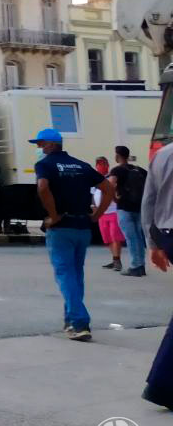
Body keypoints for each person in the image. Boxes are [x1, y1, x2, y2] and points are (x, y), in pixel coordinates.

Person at [33, 127, 112, 341]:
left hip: (61, 228)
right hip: (82, 227)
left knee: (65, 274)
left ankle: (79, 323)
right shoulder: (81, 165)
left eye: (40, 144)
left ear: (51, 144)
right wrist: (97, 215)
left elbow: (42, 188)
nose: (39, 148)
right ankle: (70, 320)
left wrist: (53, 215)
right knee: (76, 275)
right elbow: (108, 188)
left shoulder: (45, 164)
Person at [141, 141, 173, 408]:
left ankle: (162, 386)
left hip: (167, 234)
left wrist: (153, 244)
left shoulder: (163, 154)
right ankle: (163, 386)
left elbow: (148, 201)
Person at [110, 146, 147, 277]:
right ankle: (141, 265)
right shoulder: (139, 170)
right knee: (138, 237)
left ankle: (135, 266)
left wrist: (115, 199)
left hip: (124, 207)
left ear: (117, 156)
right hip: (138, 207)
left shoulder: (117, 170)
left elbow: (110, 185)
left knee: (130, 238)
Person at [93, 157, 125, 272]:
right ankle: (115, 259)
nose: (101, 166)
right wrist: (94, 208)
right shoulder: (95, 179)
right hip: (102, 214)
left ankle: (117, 261)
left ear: (107, 165)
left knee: (115, 237)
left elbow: (116, 194)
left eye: (103, 163)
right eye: (99, 163)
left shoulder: (111, 178)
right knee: (107, 239)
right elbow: (93, 195)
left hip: (113, 212)